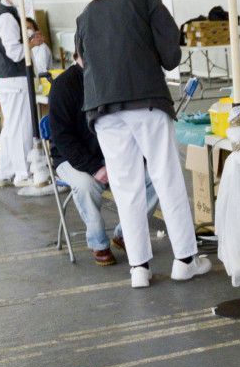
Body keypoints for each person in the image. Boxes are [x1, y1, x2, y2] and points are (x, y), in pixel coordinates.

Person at [75, 0, 210, 289]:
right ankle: (185, 260)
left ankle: (139, 268)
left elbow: (82, 60)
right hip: (146, 100)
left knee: (126, 188)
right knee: (167, 177)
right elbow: (171, 55)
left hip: (103, 109)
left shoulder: (86, 14)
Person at [49, 54, 159, 266]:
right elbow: (63, 138)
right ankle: (99, 243)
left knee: (154, 178)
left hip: (111, 154)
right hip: (70, 158)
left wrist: (140, 158)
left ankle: (126, 234)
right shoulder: (63, 85)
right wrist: (94, 167)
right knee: (85, 185)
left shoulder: (110, 81)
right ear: (78, 54)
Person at [0, 0, 40, 188]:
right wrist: (31, 42)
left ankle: (3, 170)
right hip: (13, 77)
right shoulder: (7, 17)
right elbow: (14, 52)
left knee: (11, 126)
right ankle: (23, 173)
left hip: (4, 78)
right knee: (21, 126)